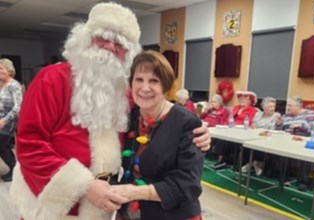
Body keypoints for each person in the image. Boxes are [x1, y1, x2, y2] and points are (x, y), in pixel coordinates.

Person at [10, 2, 211, 220]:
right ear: (85, 40)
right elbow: (30, 145)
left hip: (104, 206)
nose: (110, 47)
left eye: (119, 43)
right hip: (53, 206)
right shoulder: (51, 79)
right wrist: (84, 186)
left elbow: (156, 122)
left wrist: (199, 131)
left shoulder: (126, 92)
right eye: (103, 38)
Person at [111, 50, 204, 220]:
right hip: (130, 212)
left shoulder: (186, 123)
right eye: (139, 79)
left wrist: (136, 192)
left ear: (165, 86)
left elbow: (188, 184)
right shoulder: (130, 116)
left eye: (154, 81)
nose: (145, 88)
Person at [275, 96, 314, 191]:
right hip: (287, 140)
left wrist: (302, 126)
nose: (287, 108)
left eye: (290, 105)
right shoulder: (286, 116)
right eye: (287, 105)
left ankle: (303, 181)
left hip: (303, 141)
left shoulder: (310, 114)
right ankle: (284, 177)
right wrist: (278, 124)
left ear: (298, 106)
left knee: (305, 153)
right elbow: (280, 130)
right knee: (279, 149)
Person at [213, 91, 257, 169]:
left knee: (229, 140)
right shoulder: (236, 107)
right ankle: (221, 158)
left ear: (249, 101)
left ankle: (225, 160)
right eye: (240, 99)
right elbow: (228, 118)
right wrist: (225, 125)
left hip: (242, 131)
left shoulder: (252, 110)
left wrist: (235, 125)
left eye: (244, 99)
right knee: (222, 137)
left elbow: (249, 122)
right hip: (230, 129)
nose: (242, 100)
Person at [241, 97, 280, 176]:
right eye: (270, 106)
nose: (273, 109)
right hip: (254, 136)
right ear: (264, 107)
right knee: (244, 144)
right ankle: (254, 164)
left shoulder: (276, 115)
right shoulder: (258, 114)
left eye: (274, 106)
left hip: (267, 139)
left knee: (257, 146)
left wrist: (261, 131)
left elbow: (272, 129)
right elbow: (253, 125)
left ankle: (254, 164)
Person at [0, 58, 23, 182]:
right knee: (3, 147)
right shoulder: (1, 84)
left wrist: (4, 120)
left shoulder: (14, 85)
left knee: (1, 145)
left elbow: (18, 107)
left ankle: (14, 168)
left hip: (8, 122)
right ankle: (15, 170)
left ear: (8, 70)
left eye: (1, 68)